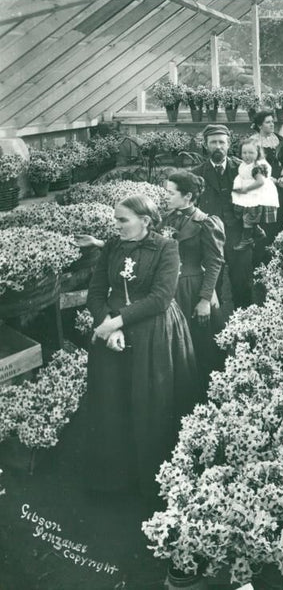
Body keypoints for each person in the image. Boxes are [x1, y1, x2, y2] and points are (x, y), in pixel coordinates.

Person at [82, 194, 199, 498]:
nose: (116, 225)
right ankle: (116, 479)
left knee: (151, 403)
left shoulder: (167, 247)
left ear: (145, 221)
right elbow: (94, 293)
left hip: (154, 332)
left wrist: (116, 322)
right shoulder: (111, 246)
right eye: (116, 219)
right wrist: (108, 323)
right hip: (114, 333)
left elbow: (161, 298)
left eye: (123, 220)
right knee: (113, 404)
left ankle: (153, 480)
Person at [162, 170, 226, 388]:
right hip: (169, 290)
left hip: (193, 290)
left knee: (201, 346)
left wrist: (206, 299)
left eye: (170, 193)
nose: (166, 197)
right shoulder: (166, 219)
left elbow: (215, 263)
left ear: (187, 196)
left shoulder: (205, 223)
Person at [191, 124, 252, 309]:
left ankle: (245, 326)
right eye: (213, 142)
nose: (218, 146)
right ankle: (214, 329)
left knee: (242, 283)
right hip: (210, 237)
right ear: (206, 145)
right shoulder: (197, 174)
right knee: (211, 284)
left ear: (228, 144)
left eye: (221, 142)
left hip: (238, 234)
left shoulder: (243, 169)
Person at [232, 138, 279, 251]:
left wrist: (246, 189)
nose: (247, 156)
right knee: (245, 213)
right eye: (244, 153)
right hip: (249, 195)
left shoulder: (256, 167)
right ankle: (257, 231)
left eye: (251, 153)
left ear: (258, 153)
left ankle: (246, 239)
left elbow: (260, 182)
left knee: (248, 217)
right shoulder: (245, 164)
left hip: (256, 194)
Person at [252, 109, 283, 238]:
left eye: (272, 122)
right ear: (260, 125)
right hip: (264, 183)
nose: (272, 124)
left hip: (281, 183)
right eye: (268, 122)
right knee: (268, 220)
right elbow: (253, 168)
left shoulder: (278, 138)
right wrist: (272, 180)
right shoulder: (253, 142)